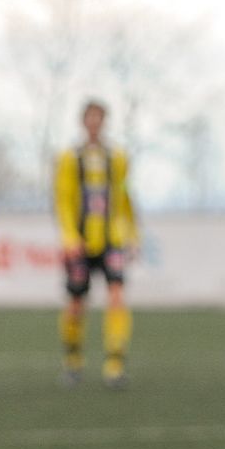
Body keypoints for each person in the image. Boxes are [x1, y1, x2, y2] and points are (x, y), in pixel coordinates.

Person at [54, 100, 138, 387]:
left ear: (104, 122)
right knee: (76, 302)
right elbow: (63, 200)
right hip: (80, 240)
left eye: (98, 118)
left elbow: (125, 197)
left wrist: (132, 235)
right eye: (89, 118)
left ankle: (115, 364)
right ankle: (73, 361)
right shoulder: (69, 158)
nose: (94, 123)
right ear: (83, 121)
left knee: (117, 296)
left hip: (111, 239)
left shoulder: (118, 157)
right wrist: (69, 236)